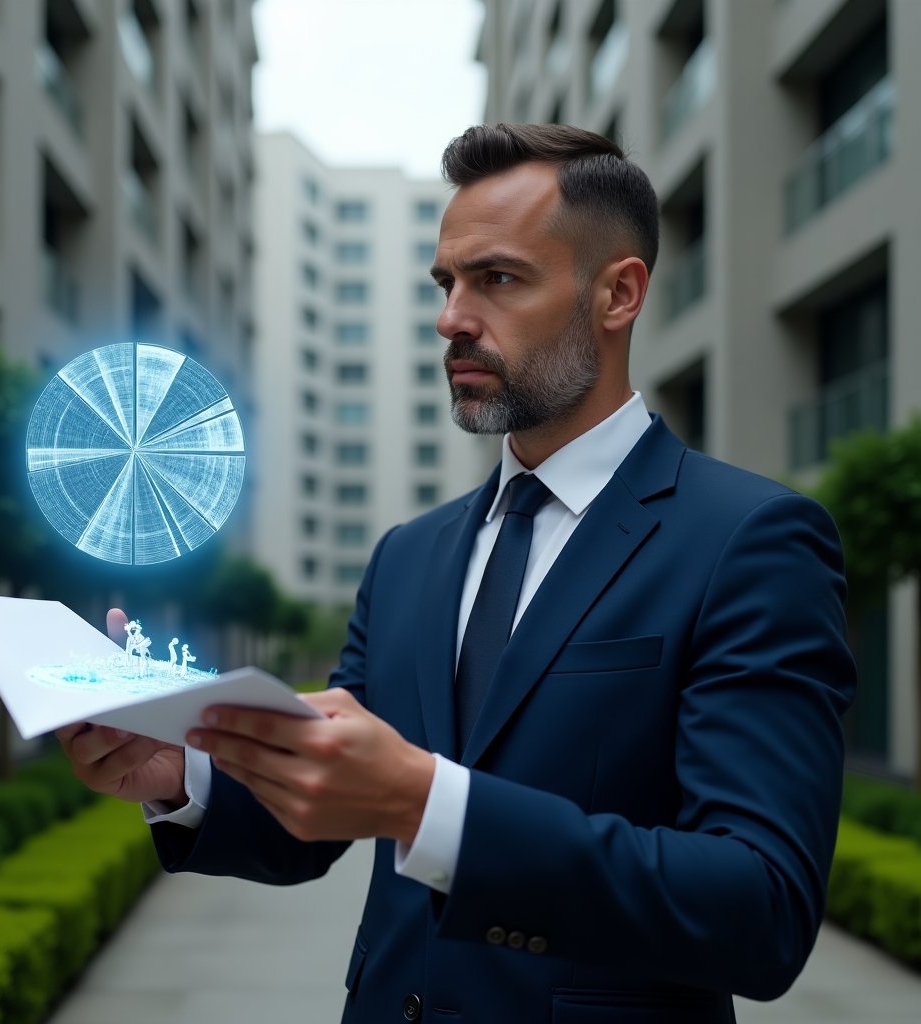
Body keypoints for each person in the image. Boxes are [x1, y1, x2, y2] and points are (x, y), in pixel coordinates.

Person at [58, 123, 856, 1022]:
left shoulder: (750, 539)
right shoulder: (409, 556)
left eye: (498, 279)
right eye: (446, 283)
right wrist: (184, 775)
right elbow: (322, 814)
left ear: (618, 294)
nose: (452, 319)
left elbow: (760, 906)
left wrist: (431, 803)